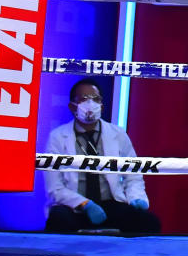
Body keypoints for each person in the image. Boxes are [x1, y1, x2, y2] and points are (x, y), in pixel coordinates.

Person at [43, 79, 161, 235]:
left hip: (111, 204)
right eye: (84, 99)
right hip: (76, 207)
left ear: (102, 106)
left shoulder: (117, 134)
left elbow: (133, 176)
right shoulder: (57, 137)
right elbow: (55, 188)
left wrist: (136, 198)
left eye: (96, 99)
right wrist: (85, 204)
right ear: (72, 106)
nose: (91, 104)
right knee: (58, 219)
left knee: (148, 222)